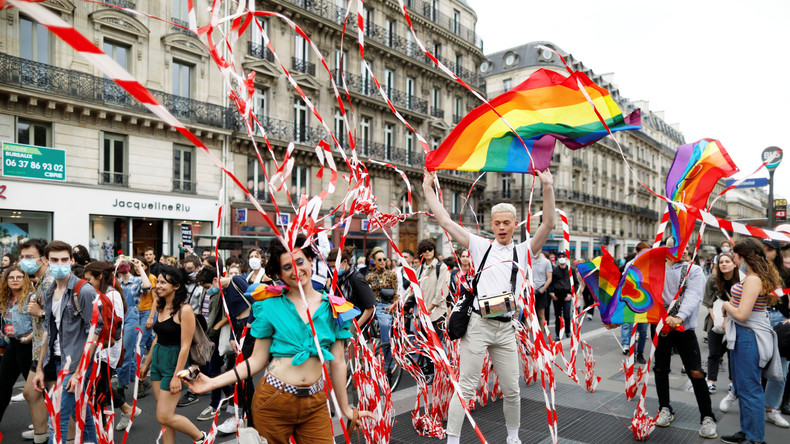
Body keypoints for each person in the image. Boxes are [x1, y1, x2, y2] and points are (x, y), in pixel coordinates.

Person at [184, 235, 372, 443]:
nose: (296, 271)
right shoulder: (269, 305)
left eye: (300, 262)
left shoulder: (334, 308)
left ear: (310, 260)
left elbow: (338, 362)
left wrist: (346, 408)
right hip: (273, 401)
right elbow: (256, 361)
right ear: (280, 273)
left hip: (316, 403)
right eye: (287, 267)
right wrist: (211, 382)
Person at [423, 167, 555, 444]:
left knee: (512, 389)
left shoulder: (523, 251)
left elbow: (547, 225)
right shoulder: (480, 246)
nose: (502, 227)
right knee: (466, 388)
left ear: (515, 224)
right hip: (478, 325)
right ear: (492, 225)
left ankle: (513, 437)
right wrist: (427, 187)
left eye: (507, 222)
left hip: (506, 330)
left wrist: (547, 187)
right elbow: (445, 221)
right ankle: (452, 440)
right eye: (497, 223)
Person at [32, 241, 102, 443]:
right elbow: (48, 332)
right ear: (46, 262)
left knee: (57, 418)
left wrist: (79, 372)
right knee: (81, 411)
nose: (60, 264)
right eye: (54, 260)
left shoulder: (84, 291)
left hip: (76, 363)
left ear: (72, 260)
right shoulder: (49, 291)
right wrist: (39, 368)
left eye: (64, 259)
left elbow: (94, 333)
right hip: (57, 360)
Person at [719, 239, 785, 444]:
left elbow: (742, 314)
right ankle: (747, 432)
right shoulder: (753, 277)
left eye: (734, 255)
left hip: (749, 335)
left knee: (749, 388)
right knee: (743, 386)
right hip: (744, 335)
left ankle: (755, 438)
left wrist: (725, 306)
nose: (733, 258)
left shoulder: (753, 279)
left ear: (743, 256)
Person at [654, 245, 718, 439]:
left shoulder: (694, 269)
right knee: (660, 369)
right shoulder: (656, 268)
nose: (685, 251)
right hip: (660, 326)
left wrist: (679, 317)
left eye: (687, 247)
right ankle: (665, 408)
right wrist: (614, 319)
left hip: (684, 328)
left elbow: (693, 296)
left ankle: (707, 416)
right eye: (680, 246)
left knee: (695, 371)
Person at [139, 265, 207, 444]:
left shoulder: (185, 310)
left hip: (175, 361)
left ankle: (201, 438)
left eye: (163, 282)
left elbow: (185, 346)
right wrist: (146, 364)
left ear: (176, 286)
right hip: (158, 359)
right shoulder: (160, 305)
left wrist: (178, 376)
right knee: (163, 415)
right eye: (158, 282)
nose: (158, 286)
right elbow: (157, 338)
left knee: (164, 415)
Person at [82, 261, 140, 431]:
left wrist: (102, 346)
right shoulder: (102, 292)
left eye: (89, 279)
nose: (87, 283)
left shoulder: (112, 295)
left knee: (98, 392)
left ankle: (100, 430)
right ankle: (126, 410)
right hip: (100, 349)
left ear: (100, 276)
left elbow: (114, 326)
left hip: (106, 350)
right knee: (101, 386)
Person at [18, 238, 53, 442]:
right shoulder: (39, 281)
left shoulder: (49, 282)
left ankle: (61, 436)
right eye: (22, 257)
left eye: (30, 257)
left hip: (51, 350)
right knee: (31, 393)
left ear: (43, 259)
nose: (25, 261)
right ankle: (42, 434)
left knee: (57, 399)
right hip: (39, 348)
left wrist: (41, 313)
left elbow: (63, 318)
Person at [760, 238, 790, 428]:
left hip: (780, 320)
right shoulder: (754, 271)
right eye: (763, 249)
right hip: (758, 318)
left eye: (769, 249)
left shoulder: (786, 273)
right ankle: (737, 393)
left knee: (781, 369)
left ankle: (771, 408)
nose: (766, 252)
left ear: (777, 252)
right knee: (752, 363)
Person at [115, 256, 151, 408]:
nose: (123, 266)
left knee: (125, 352)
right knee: (124, 354)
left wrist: (139, 267)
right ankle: (138, 381)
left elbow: (147, 285)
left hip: (131, 317)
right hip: (117, 317)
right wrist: (116, 265)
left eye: (125, 264)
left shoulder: (136, 280)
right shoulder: (115, 281)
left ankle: (120, 387)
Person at [0, 266, 35, 421]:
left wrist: (29, 337)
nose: (15, 280)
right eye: (11, 277)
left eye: (19, 277)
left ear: (25, 279)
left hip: (28, 346)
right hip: (12, 344)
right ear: (6, 280)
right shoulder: (5, 298)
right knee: (3, 386)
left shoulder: (32, 297)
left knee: (34, 391)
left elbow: (42, 324)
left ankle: (42, 426)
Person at [702, 252, 738, 397]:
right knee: (714, 352)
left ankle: (732, 382)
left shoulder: (741, 280)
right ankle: (711, 381)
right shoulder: (712, 279)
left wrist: (728, 320)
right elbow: (708, 303)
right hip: (715, 319)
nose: (724, 264)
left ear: (734, 264)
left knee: (732, 353)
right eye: (721, 262)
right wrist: (717, 319)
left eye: (727, 261)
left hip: (736, 320)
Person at [365, 246, 398, 370]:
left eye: (384, 259)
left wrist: (393, 305)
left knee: (385, 332)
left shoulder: (392, 274)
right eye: (379, 260)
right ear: (374, 261)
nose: (383, 261)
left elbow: (395, 294)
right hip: (373, 306)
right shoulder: (370, 276)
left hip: (385, 306)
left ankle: (388, 364)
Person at [620, 241, 651, 364]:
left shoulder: (650, 264)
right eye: (643, 252)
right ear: (637, 252)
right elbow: (624, 280)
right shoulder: (630, 264)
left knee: (643, 329)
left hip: (645, 301)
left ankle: (640, 352)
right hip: (631, 299)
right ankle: (630, 349)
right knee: (630, 325)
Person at [330, 246, 375, 329]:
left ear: (345, 262)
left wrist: (355, 327)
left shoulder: (357, 278)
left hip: (358, 326)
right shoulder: (338, 279)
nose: (333, 270)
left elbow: (370, 306)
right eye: (331, 267)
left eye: (334, 266)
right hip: (343, 324)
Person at [549, 252, 572, 339]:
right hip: (557, 296)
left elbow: (575, 283)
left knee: (567, 315)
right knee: (558, 316)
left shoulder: (570, 270)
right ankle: (557, 334)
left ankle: (567, 331)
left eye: (563, 256)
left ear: (566, 258)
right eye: (560, 257)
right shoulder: (554, 270)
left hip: (567, 296)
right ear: (558, 259)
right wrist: (551, 293)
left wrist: (571, 294)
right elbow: (550, 282)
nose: (562, 258)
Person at [532, 249, 553, 335]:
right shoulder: (529, 260)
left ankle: (541, 333)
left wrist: (542, 290)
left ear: (540, 249)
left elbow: (549, 278)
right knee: (529, 314)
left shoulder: (546, 262)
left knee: (541, 314)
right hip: (531, 291)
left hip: (541, 291)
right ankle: (528, 335)